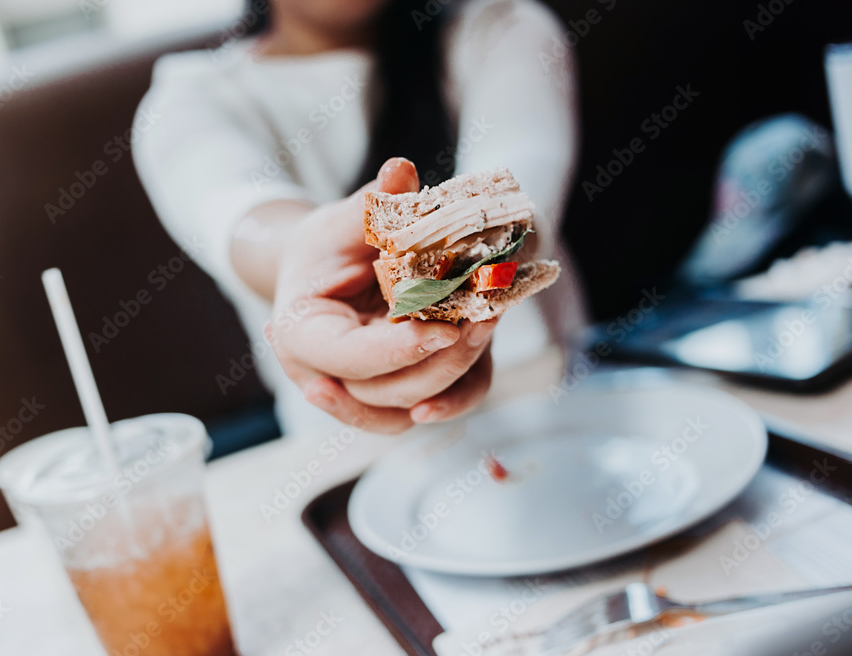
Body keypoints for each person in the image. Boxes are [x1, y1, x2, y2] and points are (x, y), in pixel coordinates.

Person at [133, 0, 584, 436]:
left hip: (559, 404)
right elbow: (246, 222)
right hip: (343, 449)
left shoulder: (500, 28)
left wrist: (460, 262)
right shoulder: (189, 101)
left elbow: (517, 189)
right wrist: (306, 257)